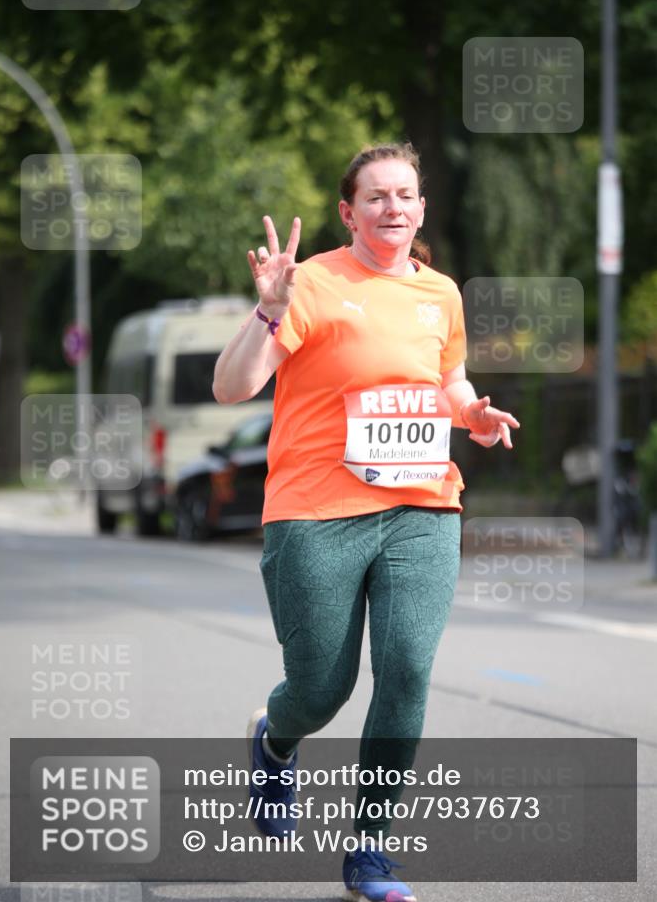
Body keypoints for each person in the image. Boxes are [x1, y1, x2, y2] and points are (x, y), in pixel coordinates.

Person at [213, 142, 519, 902]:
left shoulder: (440, 293)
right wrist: (268, 310)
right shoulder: (310, 283)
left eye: (405, 195)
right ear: (348, 211)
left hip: (421, 504)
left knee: (407, 670)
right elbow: (231, 386)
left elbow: (447, 381)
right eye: (376, 196)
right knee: (320, 688)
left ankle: (371, 849)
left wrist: (472, 414)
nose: (393, 208)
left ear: (422, 208)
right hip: (317, 510)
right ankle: (275, 738)